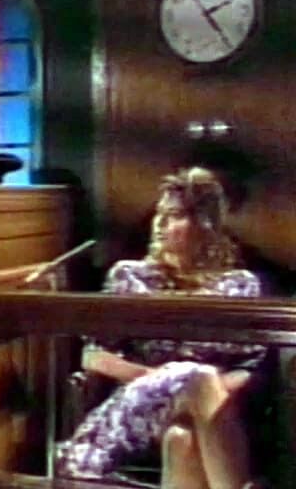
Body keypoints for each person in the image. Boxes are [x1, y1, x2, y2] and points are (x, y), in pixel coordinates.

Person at [54, 167, 269, 488]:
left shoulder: (240, 285)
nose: (160, 224)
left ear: (205, 224)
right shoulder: (130, 276)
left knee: (181, 439)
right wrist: (170, 378)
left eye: (175, 215)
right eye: (160, 214)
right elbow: (93, 357)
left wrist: (203, 390)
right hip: (142, 401)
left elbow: (250, 369)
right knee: (197, 377)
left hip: (213, 405)